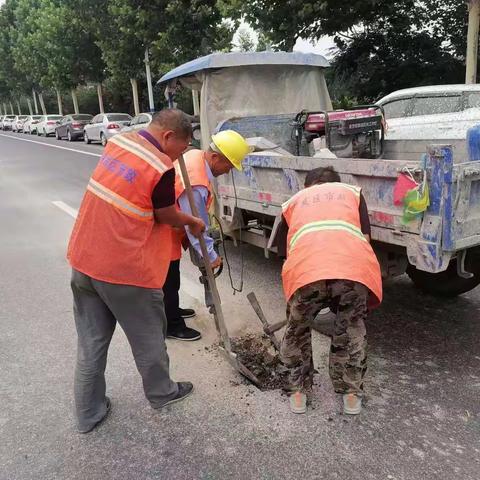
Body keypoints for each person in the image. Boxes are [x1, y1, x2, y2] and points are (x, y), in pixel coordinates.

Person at [67, 109, 205, 433]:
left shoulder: (119, 143)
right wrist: (193, 221)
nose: (181, 154)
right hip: (125, 271)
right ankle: (162, 392)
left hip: (84, 260)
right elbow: (166, 215)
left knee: (90, 343)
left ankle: (89, 414)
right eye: (183, 148)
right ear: (168, 136)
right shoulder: (160, 166)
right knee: (149, 340)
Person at [275, 166, 382, 415]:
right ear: (335, 182)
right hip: (352, 268)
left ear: (308, 186)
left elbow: (284, 251)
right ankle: (351, 395)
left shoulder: (294, 201)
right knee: (351, 328)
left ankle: (298, 393)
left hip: (307, 270)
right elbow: (365, 237)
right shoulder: (352, 193)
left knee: (297, 330)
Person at [164, 130, 251, 341]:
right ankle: (171, 325)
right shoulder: (196, 182)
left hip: (170, 223)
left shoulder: (196, 156)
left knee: (170, 277)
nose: (228, 171)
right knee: (168, 279)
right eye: (229, 165)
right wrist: (211, 256)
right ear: (215, 157)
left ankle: (172, 311)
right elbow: (195, 225)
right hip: (164, 230)